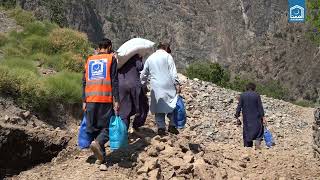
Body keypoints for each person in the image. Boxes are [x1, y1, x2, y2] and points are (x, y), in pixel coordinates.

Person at [82, 38, 120, 164]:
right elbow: (114, 81)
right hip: (105, 99)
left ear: (99, 48)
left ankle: (101, 157)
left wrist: (84, 100)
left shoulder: (89, 60)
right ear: (109, 47)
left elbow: (84, 81)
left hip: (90, 99)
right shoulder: (111, 59)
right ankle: (98, 143)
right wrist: (117, 100)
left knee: (95, 128)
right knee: (108, 127)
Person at [140, 42, 180, 136]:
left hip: (156, 86)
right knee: (172, 104)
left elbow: (144, 74)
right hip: (168, 85)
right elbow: (173, 71)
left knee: (158, 107)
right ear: (165, 48)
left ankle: (161, 128)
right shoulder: (167, 56)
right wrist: (177, 84)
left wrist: (143, 85)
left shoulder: (150, 58)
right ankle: (172, 125)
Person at [118, 54, 149, 132]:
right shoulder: (135, 58)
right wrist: (140, 59)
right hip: (134, 85)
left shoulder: (120, 59)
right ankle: (136, 125)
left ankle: (123, 133)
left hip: (120, 85)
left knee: (124, 110)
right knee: (142, 106)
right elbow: (140, 67)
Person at [235, 82, 266, 149]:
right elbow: (260, 107)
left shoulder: (242, 95)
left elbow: (239, 106)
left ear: (247, 88)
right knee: (259, 130)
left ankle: (248, 145)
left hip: (246, 117)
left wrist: (237, 115)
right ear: (254, 88)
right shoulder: (257, 95)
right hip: (256, 117)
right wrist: (263, 117)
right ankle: (257, 141)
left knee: (247, 131)